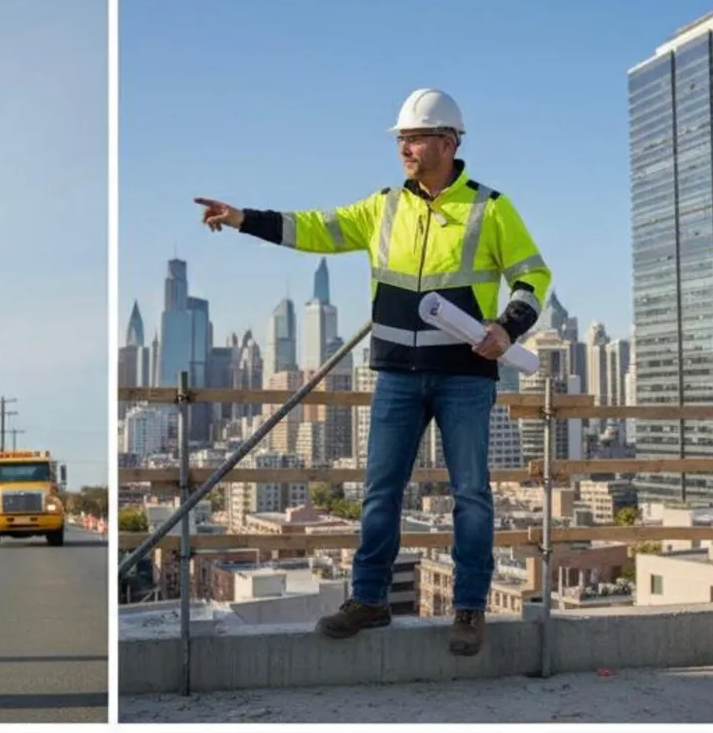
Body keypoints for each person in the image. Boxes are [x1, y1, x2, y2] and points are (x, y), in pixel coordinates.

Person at [195, 88, 551, 657]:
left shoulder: (491, 207)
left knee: (472, 497)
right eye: (401, 139)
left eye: (413, 138)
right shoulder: (383, 206)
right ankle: (369, 600)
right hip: (396, 377)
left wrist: (508, 326)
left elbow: (534, 277)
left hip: (464, 378)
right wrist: (241, 219)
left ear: (449, 142)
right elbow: (313, 228)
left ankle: (469, 607)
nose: (404, 148)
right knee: (379, 493)